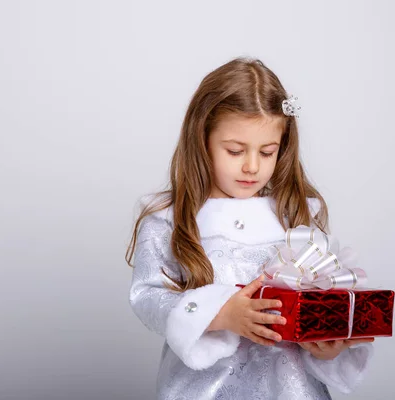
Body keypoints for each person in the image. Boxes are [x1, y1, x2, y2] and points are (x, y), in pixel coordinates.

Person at [126, 57, 375, 399]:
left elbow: (317, 303)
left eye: (268, 152)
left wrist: (327, 344)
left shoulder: (296, 216)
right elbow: (147, 297)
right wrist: (220, 312)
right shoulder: (170, 218)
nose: (252, 167)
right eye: (234, 150)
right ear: (202, 140)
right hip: (205, 390)